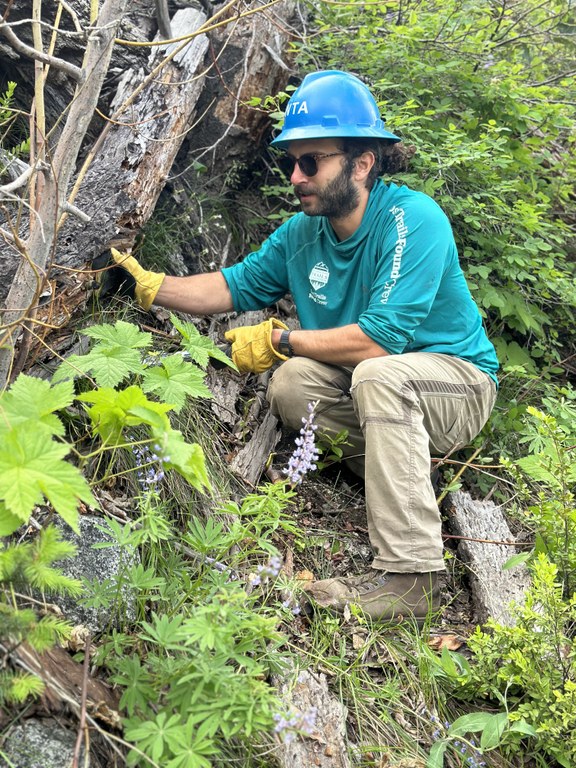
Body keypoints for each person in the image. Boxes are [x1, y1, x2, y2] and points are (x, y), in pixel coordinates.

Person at [108, 70, 499, 624]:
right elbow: (232, 285)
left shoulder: (413, 220)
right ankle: (408, 478)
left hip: (456, 384)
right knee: (292, 387)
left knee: (374, 375)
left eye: (311, 161)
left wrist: (281, 339)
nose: (296, 175)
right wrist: (151, 286)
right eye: (290, 161)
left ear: (362, 162)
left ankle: (414, 577)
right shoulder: (300, 235)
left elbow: (378, 341)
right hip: (385, 388)